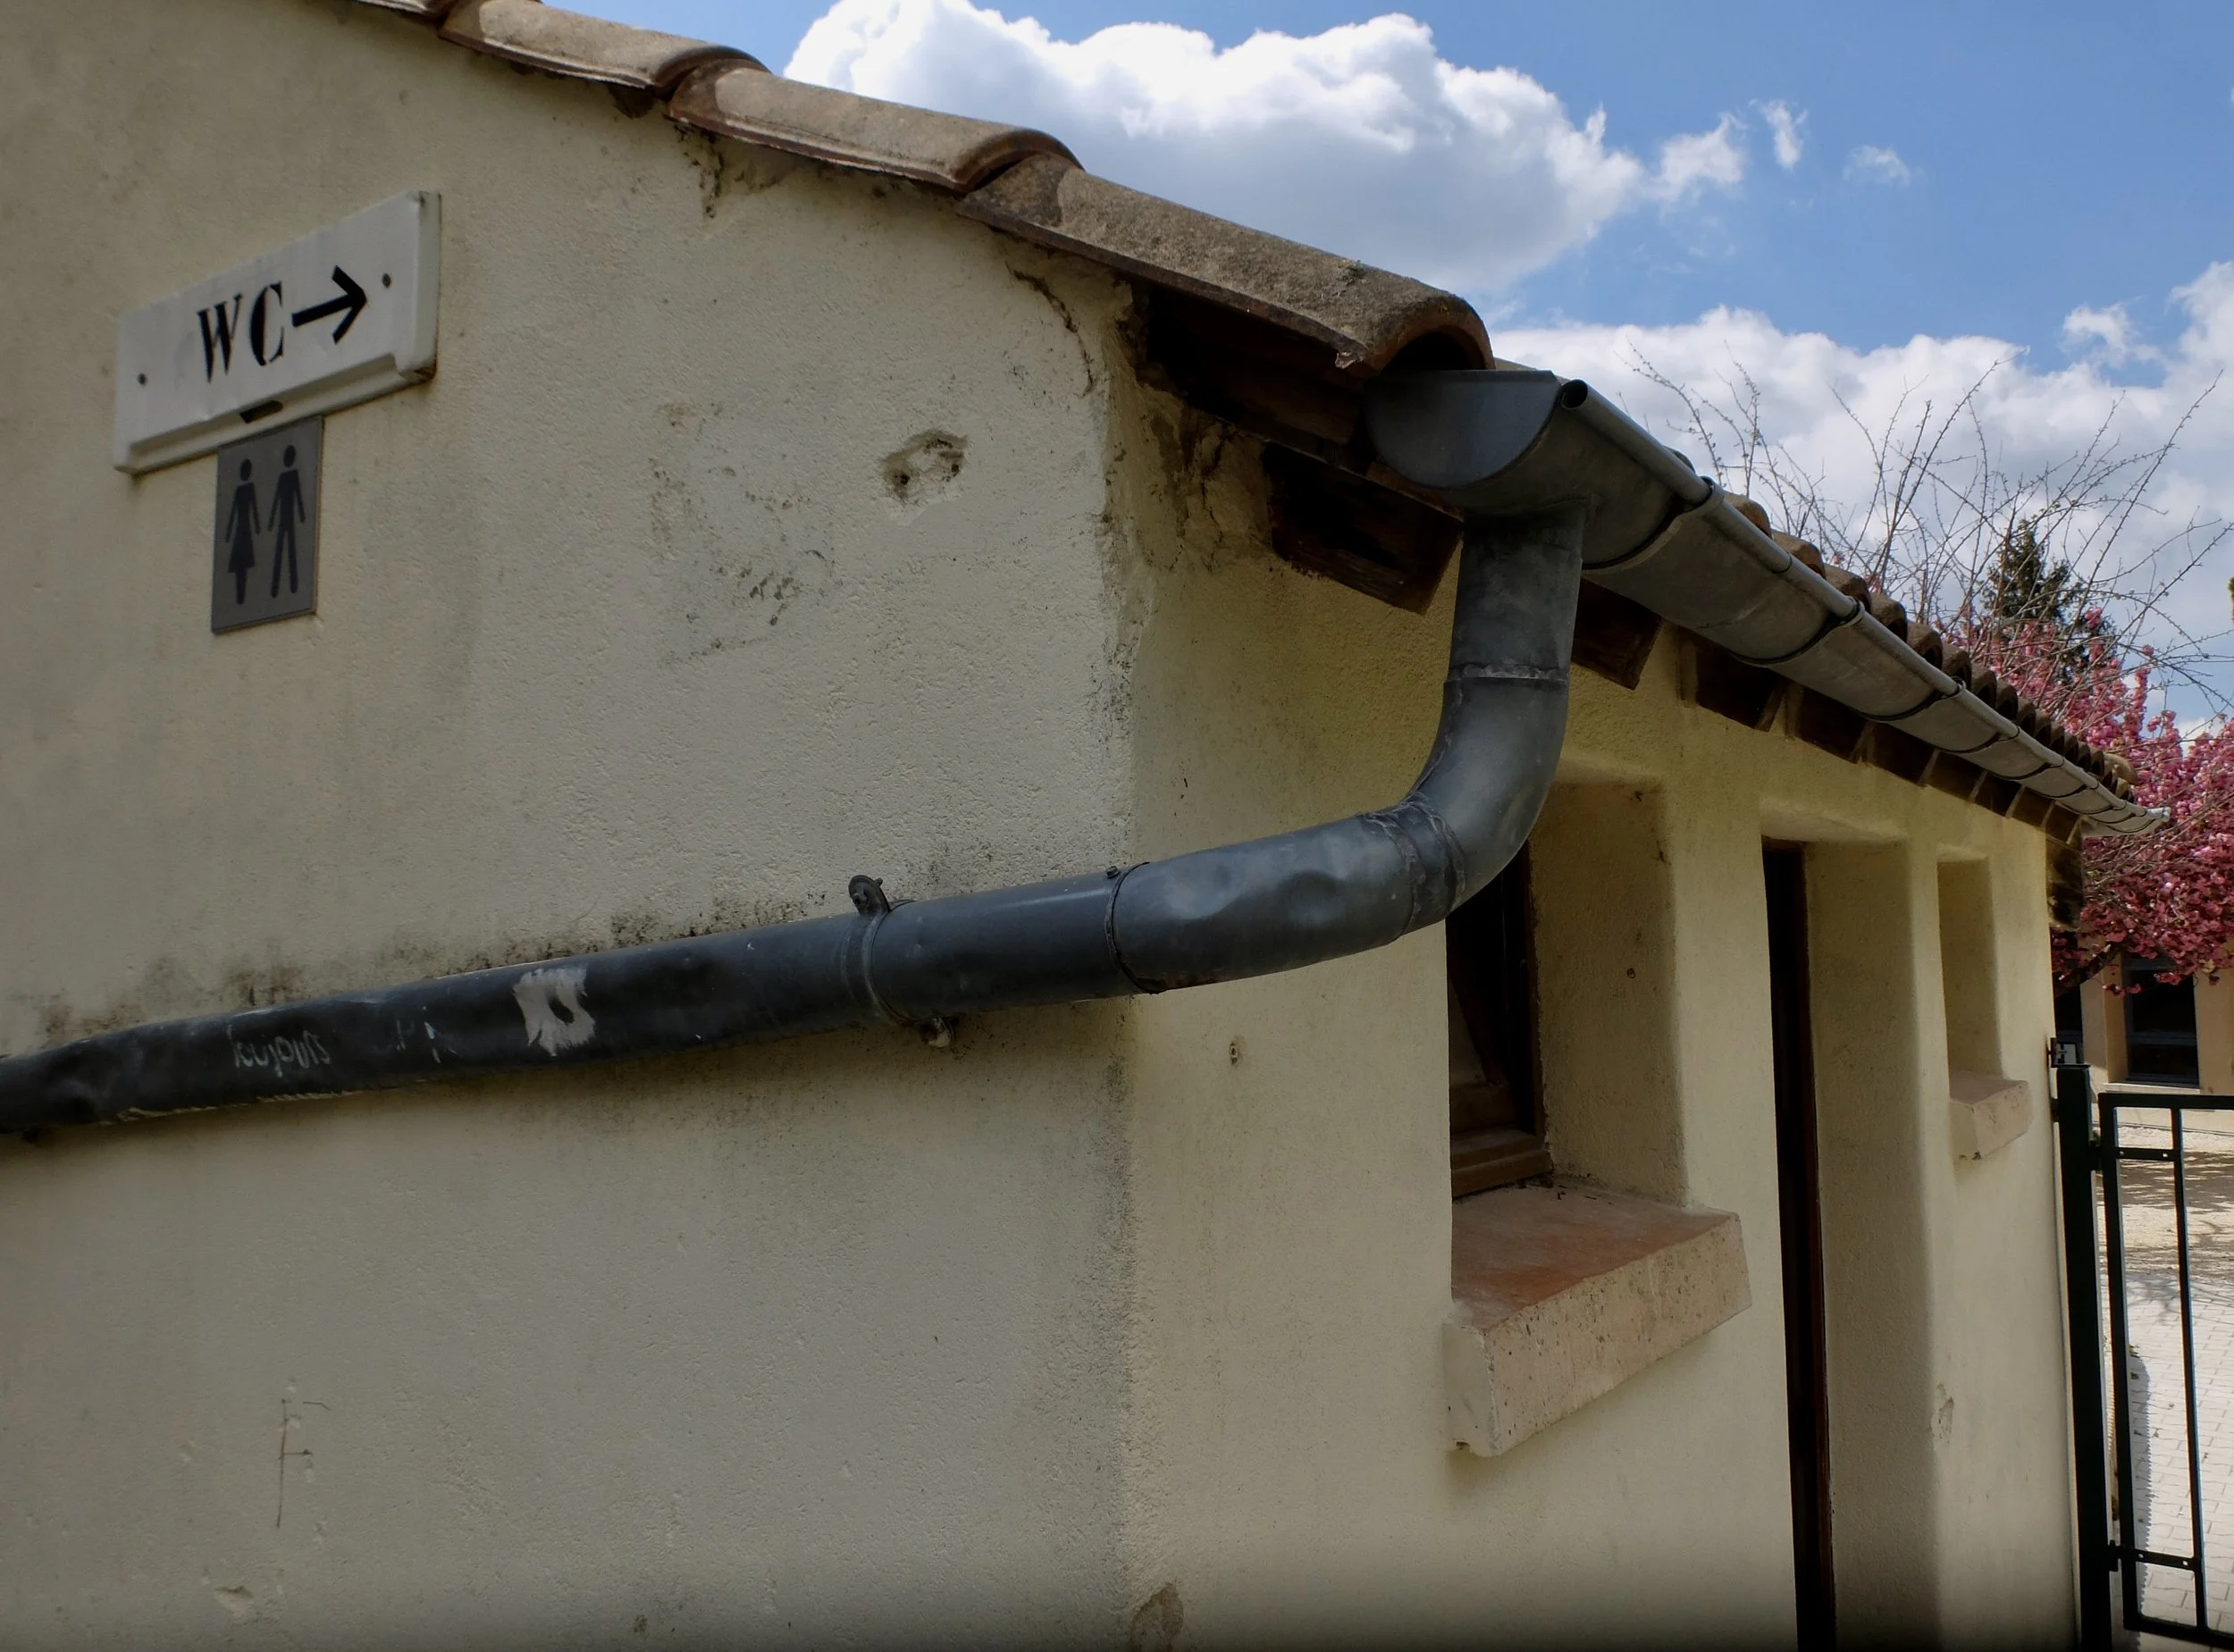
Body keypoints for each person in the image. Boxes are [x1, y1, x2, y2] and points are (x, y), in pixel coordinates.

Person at [268, 445, 306, 598]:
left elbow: (298, 496)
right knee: (283, 550)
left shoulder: (291, 476)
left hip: (288, 520)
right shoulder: (284, 477)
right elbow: (277, 499)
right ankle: (276, 587)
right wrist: (271, 520)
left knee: (288, 550)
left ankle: (292, 585)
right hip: (284, 520)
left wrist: (302, 515)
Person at [223, 459, 259, 605]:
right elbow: (232, 513)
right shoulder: (242, 490)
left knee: (243, 563)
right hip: (242, 531)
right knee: (240, 563)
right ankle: (239, 598)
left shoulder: (249, 488)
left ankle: (242, 597)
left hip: (244, 531)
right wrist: (228, 533)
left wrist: (257, 527)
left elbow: (254, 509)